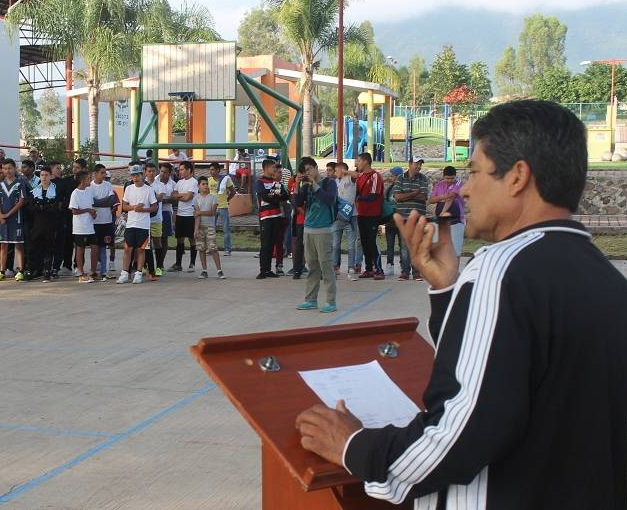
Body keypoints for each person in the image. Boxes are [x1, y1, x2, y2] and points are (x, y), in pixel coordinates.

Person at [295, 100, 627, 509]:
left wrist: (355, 446)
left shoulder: (501, 269)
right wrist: (449, 290)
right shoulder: (606, 278)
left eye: (474, 171)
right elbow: (502, 376)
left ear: (517, 176)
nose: (464, 189)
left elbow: (458, 433)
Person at [295, 158, 338, 313]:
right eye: (304, 172)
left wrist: (314, 184)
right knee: (312, 267)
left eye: (309, 170)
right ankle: (311, 300)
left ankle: (331, 301)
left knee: (326, 267)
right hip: (308, 230)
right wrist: (297, 185)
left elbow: (329, 200)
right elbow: (297, 203)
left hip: (324, 230)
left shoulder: (329, 183)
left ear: (315, 167)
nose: (307, 173)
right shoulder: (305, 186)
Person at [117, 164, 157, 284]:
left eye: (137, 175)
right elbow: (124, 206)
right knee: (127, 249)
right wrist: (134, 207)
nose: (135, 177)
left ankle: (138, 273)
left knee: (141, 250)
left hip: (143, 225)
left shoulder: (149, 190)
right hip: (130, 224)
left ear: (142, 175)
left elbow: (154, 207)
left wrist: (143, 209)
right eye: (133, 175)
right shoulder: (129, 189)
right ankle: (125, 273)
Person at [392, 156, 428, 281]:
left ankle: (417, 272)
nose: (418, 166)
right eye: (416, 164)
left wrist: (406, 195)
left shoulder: (423, 178)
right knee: (404, 245)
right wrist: (414, 193)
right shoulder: (400, 178)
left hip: (418, 218)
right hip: (403, 218)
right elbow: (398, 197)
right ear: (410, 164)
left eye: (420, 164)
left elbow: (423, 197)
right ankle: (405, 272)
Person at [0, 160, 27, 282]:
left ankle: (20, 271)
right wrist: (0, 215)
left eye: (9, 168)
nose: (7, 171)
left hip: (15, 219)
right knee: (3, 245)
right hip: (3, 220)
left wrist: (8, 214)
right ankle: (2, 271)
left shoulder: (20, 183)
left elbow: (21, 201)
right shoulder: (1, 184)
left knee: (18, 245)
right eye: (5, 168)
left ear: (15, 168)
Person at [27, 166, 61, 282]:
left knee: (49, 248)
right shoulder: (34, 191)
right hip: (37, 224)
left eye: (46, 175)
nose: (44, 177)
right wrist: (44, 206)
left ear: (51, 176)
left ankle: (47, 270)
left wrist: (41, 206)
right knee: (34, 247)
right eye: (42, 175)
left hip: (51, 224)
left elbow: (55, 207)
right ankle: (33, 270)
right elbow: (31, 208)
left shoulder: (56, 190)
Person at [256, 158, 288, 279]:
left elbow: (284, 196)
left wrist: (273, 194)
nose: (275, 169)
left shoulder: (277, 182)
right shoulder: (260, 182)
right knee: (265, 244)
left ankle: (268, 270)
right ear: (266, 168)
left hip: (277, 216)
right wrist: (274, 195)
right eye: (273, 167)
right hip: (265, 217)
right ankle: (263, 270)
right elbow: (265, 197)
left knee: (273, 243)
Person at [354, 153, 384, 280]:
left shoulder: (375, 176)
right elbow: (356, 193)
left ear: (366, 161)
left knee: (372, 242)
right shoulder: (360, 177)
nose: (357, 163)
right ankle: (369, 269)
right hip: (361, 213)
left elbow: (373, 195)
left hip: (372, 214)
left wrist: (359, 198)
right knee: (364, 242)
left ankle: (379, 269)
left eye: (359, 161)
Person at [430, 165, 466, 258]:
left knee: (455, 250)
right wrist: (443, 197)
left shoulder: (458, 183)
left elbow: (451, 197)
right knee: (439, 249)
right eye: (447, 178)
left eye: (452, 178)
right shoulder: (438, 185)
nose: (449, 180)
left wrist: (443, 211)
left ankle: (455, 268)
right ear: (443, 176)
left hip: (456, 220)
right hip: (440, 221)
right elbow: (431, 200)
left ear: (455, 177)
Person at [69, 170, 98, 283]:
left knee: (95, 247)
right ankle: (81, 273)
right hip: (79, 227)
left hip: (89, 226)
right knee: (80, 249)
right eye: (88, 178)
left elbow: (91, 206)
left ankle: (93, 272)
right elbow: (74, 211)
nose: (90, 180)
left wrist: (93, 213)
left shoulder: (89, 191)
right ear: (82, 180)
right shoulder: (75, 193)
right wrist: (88, 210)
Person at [90, 163, 117, 279]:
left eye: (105, 173)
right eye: (102, 173)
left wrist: (97, 202)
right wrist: (103, 202)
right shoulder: (90, 186)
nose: (104, 175)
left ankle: (103, 271)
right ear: (95, 174)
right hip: (94, 222)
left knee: (104, 247)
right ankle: (93, 270)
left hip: (107, 221)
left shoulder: (108, 185)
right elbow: (91, 202)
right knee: (94, 247)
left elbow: (111, 201)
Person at [193, 176, 224, 280]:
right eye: (203, 184)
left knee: (213, 248)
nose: (206, 186)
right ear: (198, 186)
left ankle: (219, 270)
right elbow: (197, 216)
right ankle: (204, 270)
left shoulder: (213, 198)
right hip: (200, 227)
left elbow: (212, 212)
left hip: (210, 226)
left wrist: (200, 212)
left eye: (207, 184)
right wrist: (196, 229)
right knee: (201, 249)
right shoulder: (196, 198)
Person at [170, 160, 198, 273]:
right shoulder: (179, 182)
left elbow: (188, 198)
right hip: (180, 214)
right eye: (179, 170)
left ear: (189, 170)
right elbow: (173, 196)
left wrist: (179, 196)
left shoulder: (194, 182)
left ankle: (192, 264)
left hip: (190, 215)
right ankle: (178, 264)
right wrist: (182, 195)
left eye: (182, 169)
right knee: (179, 239)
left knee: (192, 239)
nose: (180, 172)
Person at [207, 162, 235, 257]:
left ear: (218, 170)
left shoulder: (226, 179)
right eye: (210, 170)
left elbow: (233, 191)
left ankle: (228, 249)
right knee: (211, 229)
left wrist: (227, 199)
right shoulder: (209, 180)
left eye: (212, 170)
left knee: (226, 229)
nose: (211, 171)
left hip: (223, 207)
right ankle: (211, 248)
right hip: (212, 207)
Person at [154, 163, 176, 272]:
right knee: (152, 239)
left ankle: (160, 263)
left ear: (170, 173)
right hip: (153, 213)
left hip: (166, 212)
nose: (162, 174)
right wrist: (166, 199)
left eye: (165, 172)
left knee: (164, 238)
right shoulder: (154, 181)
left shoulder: (173, 184)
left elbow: (174, 200)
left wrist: (161, 200)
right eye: (161, 171)